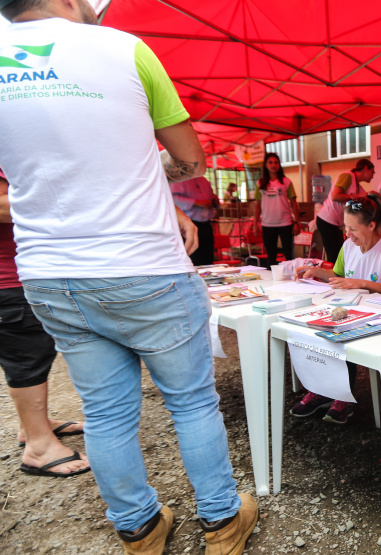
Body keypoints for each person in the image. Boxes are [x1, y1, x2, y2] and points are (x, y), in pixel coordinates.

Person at [0, 1, 257, 553]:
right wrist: (147, 169)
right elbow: (190, 159)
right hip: (142, 265)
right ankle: (221, 523)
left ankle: (139, 529)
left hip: (49, 272)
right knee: (191, 402)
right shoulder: (123, 48)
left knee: (104, 411)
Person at [0, 169, 90, 479]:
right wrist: (66, 201)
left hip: (20, 276)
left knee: (35, 355)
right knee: (26, 359)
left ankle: (33, 426)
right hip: (9, 281)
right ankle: (38, 448)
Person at [292, 192, 381, 423]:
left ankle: (342, 395)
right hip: (348, 310)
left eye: (353, 228)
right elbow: (338, 275)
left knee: (340, 334)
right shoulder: (348, 246)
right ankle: (321, 389)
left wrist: (363, 284)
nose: (347, 233)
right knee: (313, 328)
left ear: (371, 225)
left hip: (380, 318)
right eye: (345, 227)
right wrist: (317, 271)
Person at [315, 159, 373, 264]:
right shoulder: (347, 176)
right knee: (334, 256)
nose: (373, 176)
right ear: (365, 168)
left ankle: (338, 274)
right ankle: (332, 274)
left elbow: (365, 200)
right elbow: (335, 196)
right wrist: (357, 196)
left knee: (341, 255)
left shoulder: (358, 187)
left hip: (336, 224)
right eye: (372, 172)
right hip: (326, 220)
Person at [254, 152, 300, 267]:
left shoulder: (286, 182)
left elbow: (294, 203)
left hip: (285, 223)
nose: (273, 165)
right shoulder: (260, 183)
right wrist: (255, 224)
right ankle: (271, 276)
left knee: (289, 254)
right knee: (271, 256)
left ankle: (293, 276)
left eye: (276, 162)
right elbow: (258, 205)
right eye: (270, 162)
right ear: (265, 165)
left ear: (279, 165)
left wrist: (297, 222)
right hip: (267, 224)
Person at [170, 175, 219, 266]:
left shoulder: (203, 180)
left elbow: (212, 196)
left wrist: (214, 201)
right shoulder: (178, 179)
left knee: (208, 259)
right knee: (192, 259)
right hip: (187, 224)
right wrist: (197, 203)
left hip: (206, 224)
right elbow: (173, 199)